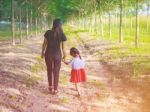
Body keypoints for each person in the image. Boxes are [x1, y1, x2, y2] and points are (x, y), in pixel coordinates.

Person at [41, 19, 67, 94]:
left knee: (49, 70)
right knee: (56, 71)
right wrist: (65, 55)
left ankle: (50, 87)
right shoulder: (62, 34)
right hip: (57, 55)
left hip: (48, 53)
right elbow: (63, 48)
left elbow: (44, 44)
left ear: (53, 24)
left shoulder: (48, 32)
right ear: (60, 25)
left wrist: (42, 53)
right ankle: (55, 89)